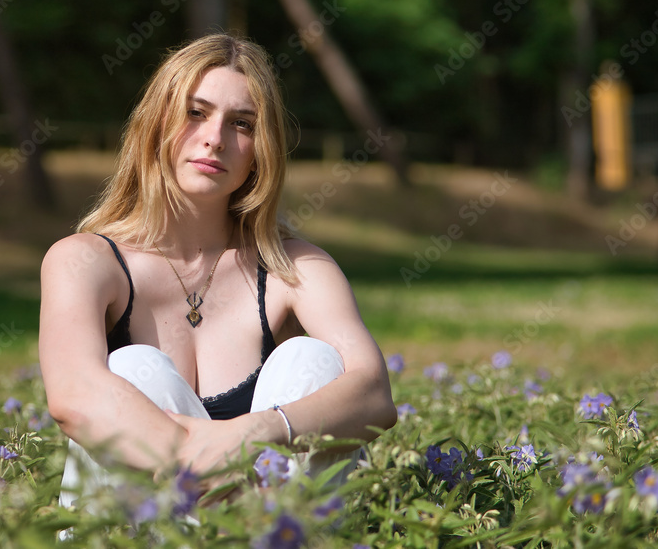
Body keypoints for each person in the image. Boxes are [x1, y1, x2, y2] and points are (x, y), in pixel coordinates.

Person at [38, 33, 397, 511]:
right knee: (133, 369)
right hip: (138, 529)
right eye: (195, 112)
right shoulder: (84, 261)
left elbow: (373, 393)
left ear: (261, 149)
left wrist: (257, 432)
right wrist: (205, 470)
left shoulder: (297, 268)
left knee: (311, 359)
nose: (215, 138)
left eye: (242, 123)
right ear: (156, 123)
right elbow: (73, 395)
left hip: (264, 522)